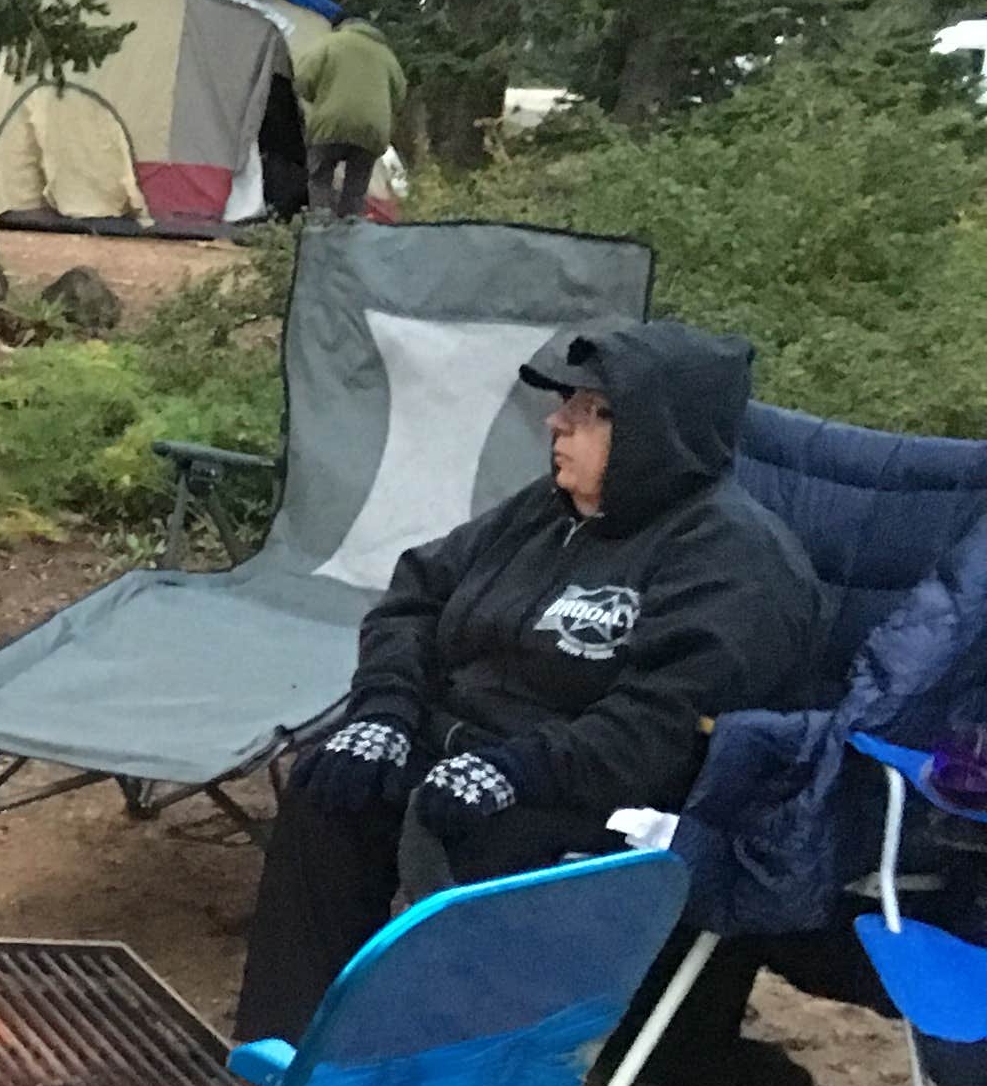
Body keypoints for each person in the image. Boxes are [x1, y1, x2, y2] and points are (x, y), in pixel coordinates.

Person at [232, 320, 819, 1044]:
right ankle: (289, 1052)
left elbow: (659, 729)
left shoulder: (734, 561)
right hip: (462, 747)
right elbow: (416, 595)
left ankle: (439, 1080)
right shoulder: (549, 511)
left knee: (485, 836)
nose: (557, 422)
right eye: (566, 403)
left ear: (658, 432)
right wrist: (383, 710)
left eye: (591, 411)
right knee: (333, 786)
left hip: (595, 794)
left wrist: (517, 769)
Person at [289, 12, 407, 220]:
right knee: (356, 187)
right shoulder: (386, 54)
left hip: (332, 122)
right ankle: (351, 232)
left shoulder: (330, 43)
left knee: (320, 178)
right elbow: (400, 95)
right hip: (373, 130)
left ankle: (322, 228)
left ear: (340, 25)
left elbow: (303, 79)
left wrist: (317, 98)